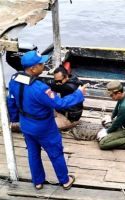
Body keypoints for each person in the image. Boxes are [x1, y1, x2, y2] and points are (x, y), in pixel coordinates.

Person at [6, 50, 86, 190]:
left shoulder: (14, 80)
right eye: (41, 64)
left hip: (26, 124)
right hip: (44, 126)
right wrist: (79, 94)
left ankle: (37, 182)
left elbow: (11, 101)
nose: (44, 65)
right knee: (55, 152)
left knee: (33, 153)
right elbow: (59, 104)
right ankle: (65, 180)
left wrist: (14, 119)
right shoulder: (40, 88)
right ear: (33, 68)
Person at [97, 80, 125, 151]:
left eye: (111, 95)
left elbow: (117, 123)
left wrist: (107, 132)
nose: (111, 97)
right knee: (106, 123)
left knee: (103, 143)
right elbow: (118, 104)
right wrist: (111, 117)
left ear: (119, 93)